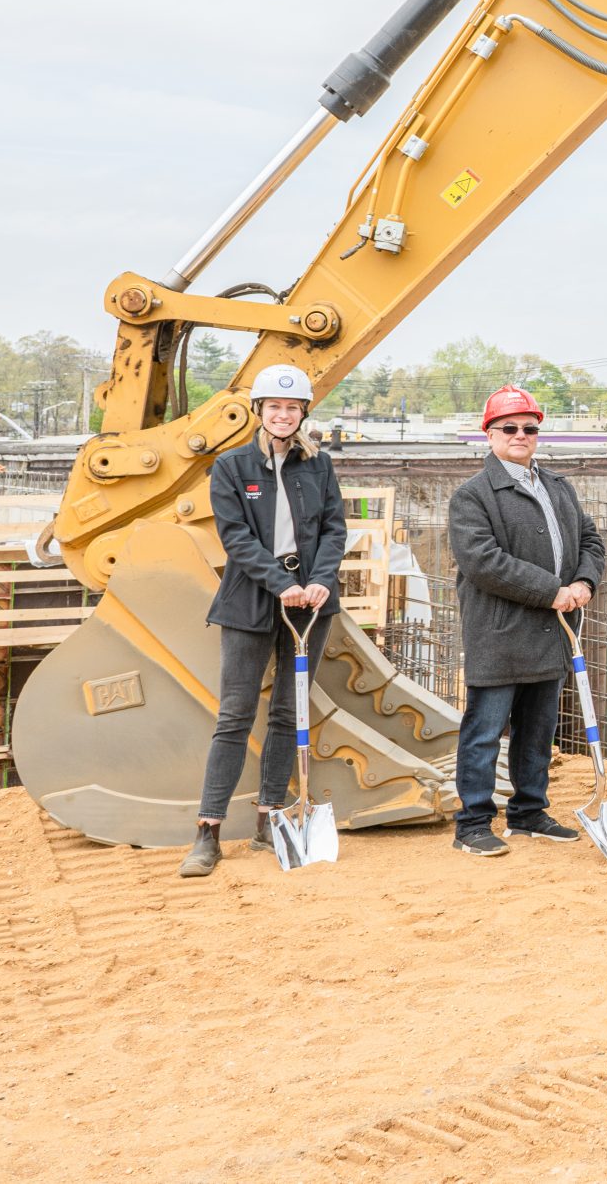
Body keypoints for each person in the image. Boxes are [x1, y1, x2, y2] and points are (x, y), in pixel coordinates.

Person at [179, 364, 347, 878]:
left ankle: (269, 818)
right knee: (234, 715)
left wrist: (318, 580)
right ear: (260, 411)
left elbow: (335, 527)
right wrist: (282, 584)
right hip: (252, 600)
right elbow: (236, 538)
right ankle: (207, 832)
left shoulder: (318, 466)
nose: (283, 414)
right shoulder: (232, 466)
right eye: (274, 406)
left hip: (311, 602)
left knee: (288, 714)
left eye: (292, 408)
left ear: (303, 414)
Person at [444, 384, 606, 857]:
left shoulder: (558, 486)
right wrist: (551, 590)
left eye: (529, 428)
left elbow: (592, 540)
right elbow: (482, 561)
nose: (521, 435)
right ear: (490, 434)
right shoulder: (473, 495)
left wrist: (584, 583)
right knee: (484, 731)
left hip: (552, 632)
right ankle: (473, 822)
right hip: (500, 633)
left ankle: (529, 811)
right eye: (509, 428)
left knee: (539, 730)